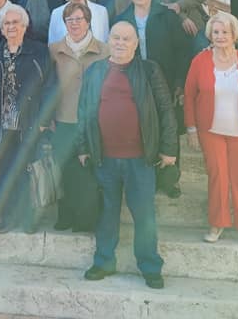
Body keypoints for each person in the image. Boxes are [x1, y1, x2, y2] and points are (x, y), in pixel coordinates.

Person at [77, 22, 177, 289]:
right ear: (109, 40)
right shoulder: (96, 70)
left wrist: (169, 148)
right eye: (116, 38)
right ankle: (104, 261)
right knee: (106, 214)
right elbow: (84, 111)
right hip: (104, 158)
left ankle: (150, 266)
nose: (121, 43)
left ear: (136, 43)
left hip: (140, 159)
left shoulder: (148, 70)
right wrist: (83, 147)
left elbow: (166, 109)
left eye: (126, 39)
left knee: (144, 214)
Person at [184, 12, 238, 246]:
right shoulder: (199, 61)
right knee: (217, 178)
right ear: (210, 34)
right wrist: (191, 128)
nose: (220, 36)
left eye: (225, 32)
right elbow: (189, 96)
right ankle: (217, 223)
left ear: (234, 35)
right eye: (216, 32)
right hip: (211, 131)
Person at [112, 0, 192, 198]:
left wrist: (179, 82)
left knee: (168, 126)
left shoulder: (166, 16)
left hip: (165, 79)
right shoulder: (123, 18)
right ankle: (146, 176)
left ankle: (170, 178)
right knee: (141, 127)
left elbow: (182, 51)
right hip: (133, 80)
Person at [0, 6, 51, 233]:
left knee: (25, 172)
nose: (11, 27)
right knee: (2, 173)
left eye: (15, 23)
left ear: (24, 26)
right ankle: (5, 217)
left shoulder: (39, 51)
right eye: (6, 24)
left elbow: (50, 85)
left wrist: (43, 118)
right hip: (0, 125)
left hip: (27, 123)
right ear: (1, 28)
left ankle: (28, 217)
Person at [46, 2, 108, 231]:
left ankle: (89, 218)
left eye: (79, 19)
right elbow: (48, 85)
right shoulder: (54, 50)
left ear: (88, 21)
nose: (74, 24)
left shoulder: (104, 50)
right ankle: (66, 214)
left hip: (94, 120)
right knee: (64, 168)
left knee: (89, 171)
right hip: (64, 118)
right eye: (70, 20)